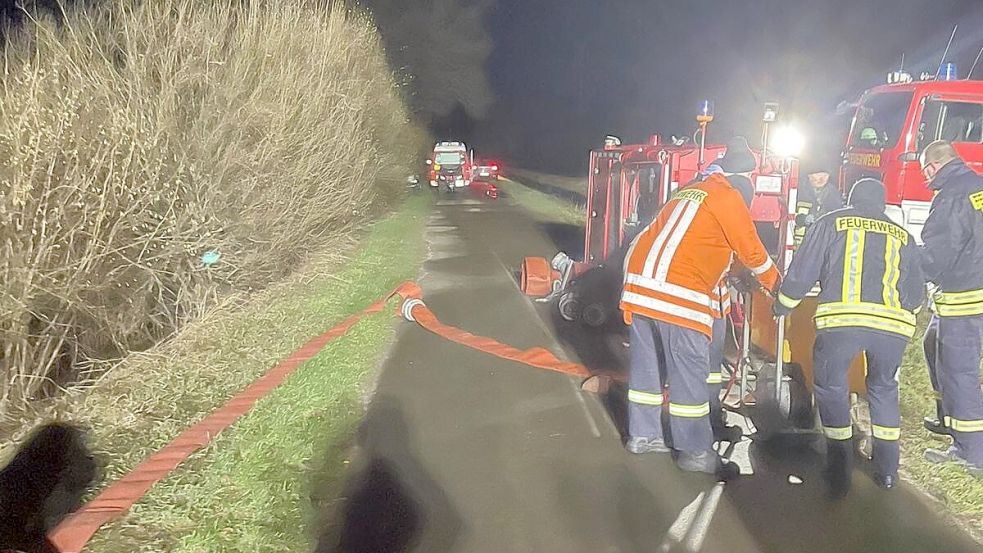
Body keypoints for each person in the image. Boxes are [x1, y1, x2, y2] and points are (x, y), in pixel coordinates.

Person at [621, 137, 780, 474]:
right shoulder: (730, 196)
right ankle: (695, 453)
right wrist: (780, 289)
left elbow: (703, 243)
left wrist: (735, 272)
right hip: (679, 295)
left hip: (639, 287)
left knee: (647, 370)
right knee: (689, 375)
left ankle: (643, 436)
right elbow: (752, 251)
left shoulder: (691, 191)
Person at [773, 178, 923, 493]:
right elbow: (915, 294)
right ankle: (886, 471)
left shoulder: (831, 223)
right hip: (893, 328)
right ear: (882, 205)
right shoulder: (904, 236)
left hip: (841, 323)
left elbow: (803, 271)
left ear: (851, 200)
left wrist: (782, 304)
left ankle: (840, 466)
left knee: (831, 389)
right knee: (883, 390)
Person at [918, 140, 983, 475]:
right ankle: (948, 417)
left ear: (932, 166)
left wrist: (908, 271)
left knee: (961, 371)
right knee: (931, 343)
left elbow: (938, 253)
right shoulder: (977, 186)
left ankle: (970, 452)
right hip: (974, 293)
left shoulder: (952, 196)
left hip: (965, 298)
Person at [793, 157, 844, 248]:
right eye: (818, 175)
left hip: (820, 246)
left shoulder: (833, 194)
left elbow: (837, 218)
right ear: (809, 175)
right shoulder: (797, 190)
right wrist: (801, 219)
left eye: (825, 175)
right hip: (796, 245)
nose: (821, 179)